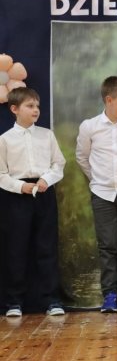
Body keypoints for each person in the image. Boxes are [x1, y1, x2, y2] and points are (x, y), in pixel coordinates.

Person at [0, 87, 66, 317]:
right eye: (30, 106)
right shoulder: (5, 140)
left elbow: (59, 163)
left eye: (37, 106)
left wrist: (46, 179)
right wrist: (20, 186)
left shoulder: (47, 135)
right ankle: (14, 302)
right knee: (15, 248)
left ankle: (52, 300)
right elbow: (1, 174)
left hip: (44, 193)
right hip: (16, 197)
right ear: (14, 109)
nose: (36, 110)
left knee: (47, 246)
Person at [76, 76, 117, 313]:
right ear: (109, 100)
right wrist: (98, 180)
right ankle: (110, 293)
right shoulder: (90, 126)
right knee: (107, 244)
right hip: (102, 194)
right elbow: (82, 157)